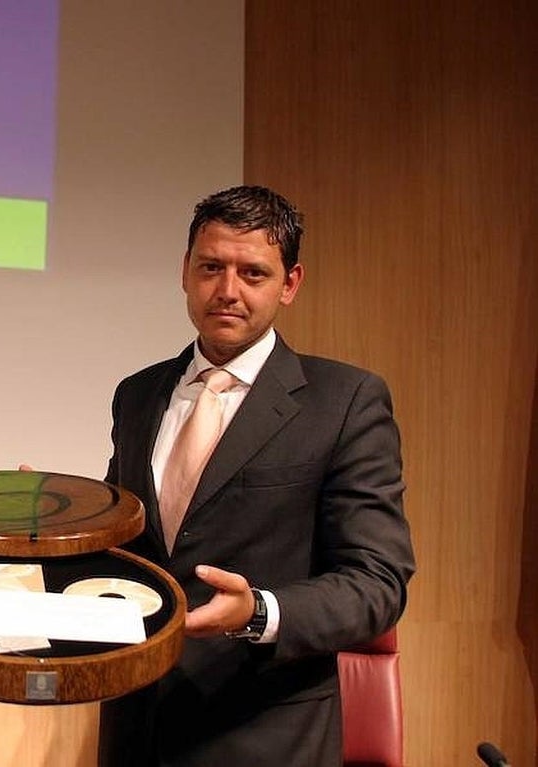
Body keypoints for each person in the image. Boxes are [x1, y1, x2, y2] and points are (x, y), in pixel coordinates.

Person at [99, 185, 415, 765]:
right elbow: (129, 547)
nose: (228, 290)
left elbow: (377, 583)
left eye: (253, 273)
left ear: (289, 284)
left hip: (263, 732)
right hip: (135, 723)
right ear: (185, 271)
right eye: (211, 267)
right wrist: (57, 515)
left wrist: (258, 612)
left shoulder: (345, 401)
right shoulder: (137, 394)